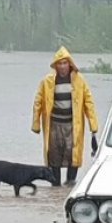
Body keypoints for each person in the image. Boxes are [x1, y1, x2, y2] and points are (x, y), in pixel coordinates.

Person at [32, 46, 99, 186]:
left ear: (70, 64)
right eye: (59, 63)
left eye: (65, 63)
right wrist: (36, 123)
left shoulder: (79, 80)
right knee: (54, 154)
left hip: (72, 124)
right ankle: (55, 187)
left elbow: (88, 102)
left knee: (72, 154)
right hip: (54, 124)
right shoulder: (48, 81)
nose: (62, 67)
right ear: (55, 65)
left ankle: (70, 183)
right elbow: (38, 102)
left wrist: (93, 126)